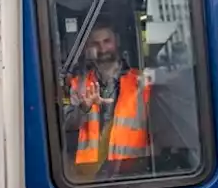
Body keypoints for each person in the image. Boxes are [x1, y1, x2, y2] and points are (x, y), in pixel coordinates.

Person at [62, 23, 152, 178]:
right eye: (96, 44)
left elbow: (156, 128)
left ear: (116, 41)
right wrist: (83, 108)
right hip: (91, 175)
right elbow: (66, 125)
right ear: (87, 49)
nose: (102, 49)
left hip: (133, 171)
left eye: (106, 41)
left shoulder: (141, 82)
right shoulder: (78, 85)